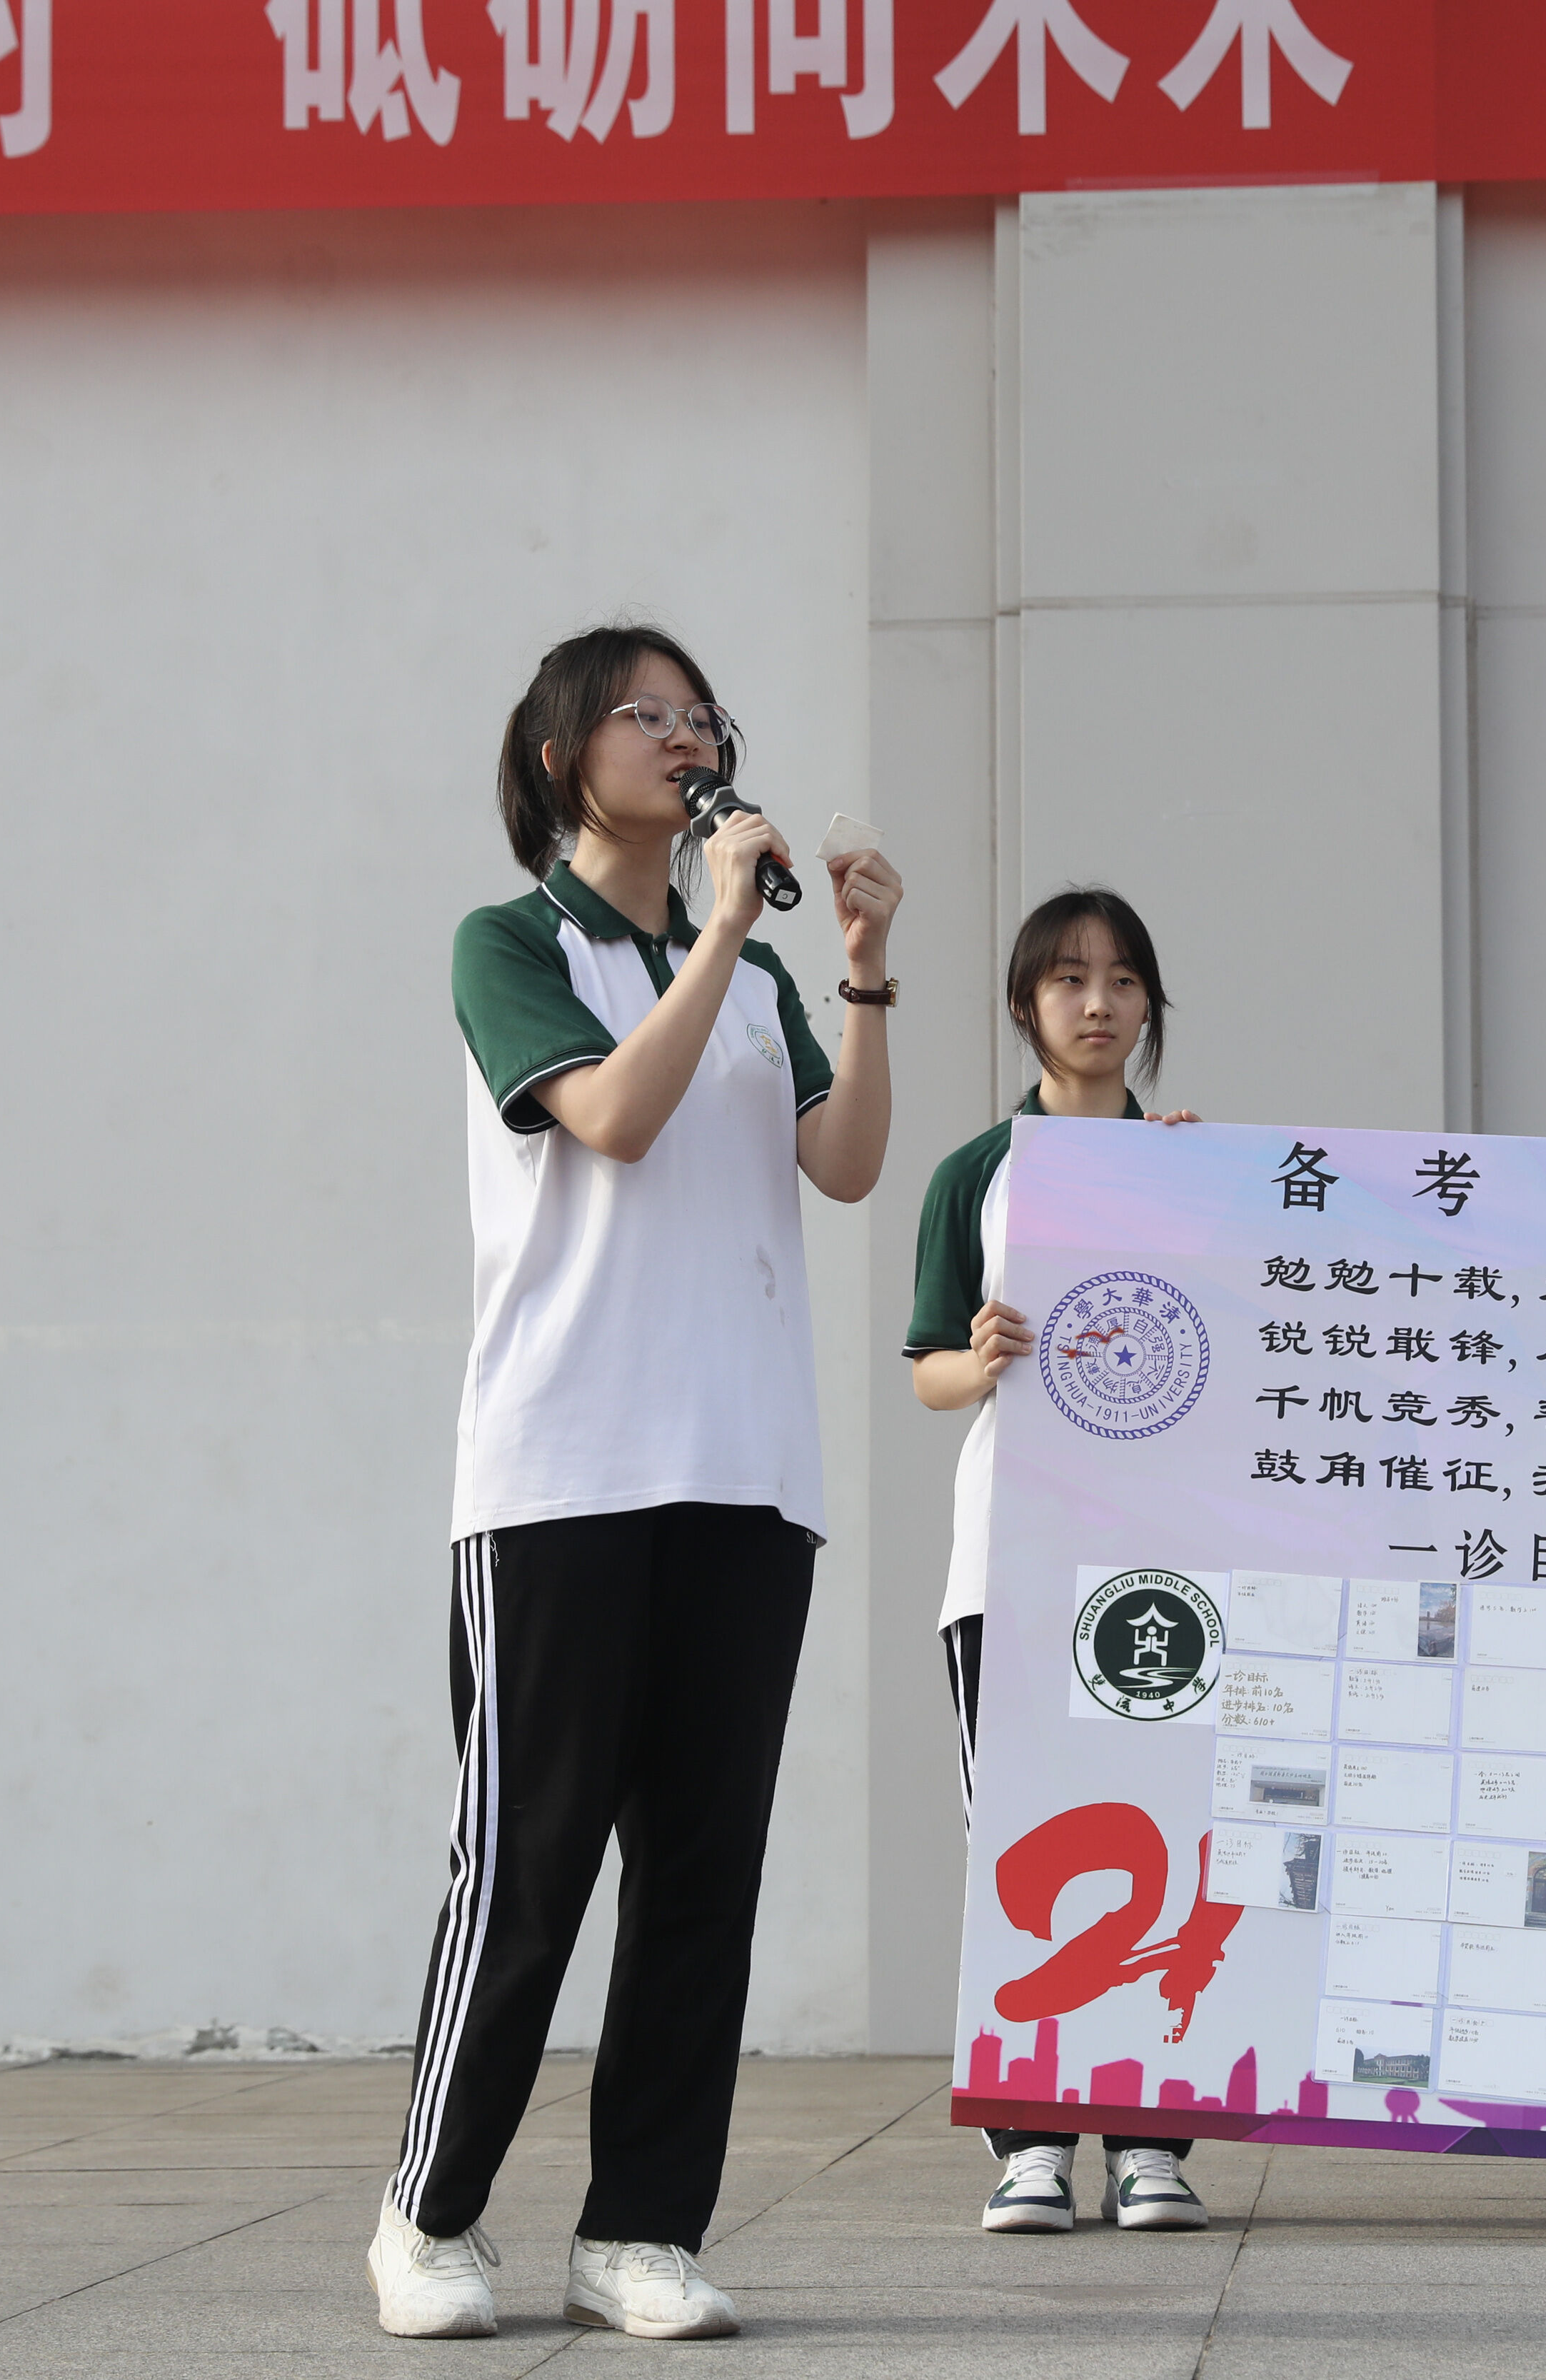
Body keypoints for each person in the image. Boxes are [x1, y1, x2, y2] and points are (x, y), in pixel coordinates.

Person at [368, 625, 903, 2341]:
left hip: (745, 1470)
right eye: (644, 714)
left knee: (701, 1877)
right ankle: (428, 2216)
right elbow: (609, 1115)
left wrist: (861, 976)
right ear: (558, 756)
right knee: (526, 1864)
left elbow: (844, 1163)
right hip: (561, 1469)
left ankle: (640, 2230)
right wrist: (723, 931)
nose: (686, 739)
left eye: (701, 716)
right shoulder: (511, 942)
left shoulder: (752, 973)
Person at [902, 888, 1209, 2238]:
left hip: (1164, 1568)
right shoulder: (976, 1171)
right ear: (1026, 1003)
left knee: (1166, 1830)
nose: (1098, 1002)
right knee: (1020, 1841)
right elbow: (928, 1372)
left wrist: (1215, 1197)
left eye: (1123, 978)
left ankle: (1151, 2138)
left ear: (1150, 1006)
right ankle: (1031, 2141)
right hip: (1012, 1557)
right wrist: (982, 1355)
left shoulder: (1198, 1164)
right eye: (1070, 978)